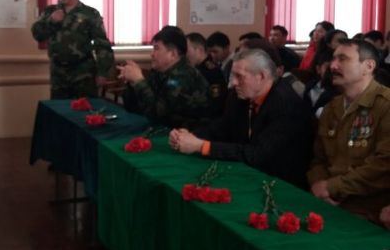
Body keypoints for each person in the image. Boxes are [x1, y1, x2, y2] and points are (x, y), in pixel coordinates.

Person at [169, 47, 314, 187]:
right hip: (249, 172)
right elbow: (223, 127)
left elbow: (257, 154)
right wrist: (189, 136)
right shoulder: (241, 95)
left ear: (261, 76)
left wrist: (201, 146)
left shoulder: (285, 104)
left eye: (239, 76)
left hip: (280, 182)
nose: (233, 83)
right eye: (233, 76)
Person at [307, 39, 390, 226]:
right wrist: (319, 185)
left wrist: (332, 187)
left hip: (368, 210)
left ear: (368, 66)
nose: (333, 66)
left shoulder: (385, 106)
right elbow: (318, 159)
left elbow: (383, 165)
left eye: (343, 59)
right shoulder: (332, 108)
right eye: (333, 58)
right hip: (327, 202)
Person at [31, 0, 114, 99]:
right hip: (58, 74)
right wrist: (52, 21)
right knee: (59, 109)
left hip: (83, 72)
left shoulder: (90, 13)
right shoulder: (50, 11)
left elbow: (102, 44)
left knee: (85, 108)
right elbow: (37, 35)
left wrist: (102, 72)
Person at [118, 25, 208, 129]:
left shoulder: (183, 76)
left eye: (156, 49)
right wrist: (132, 83)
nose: (152, 54)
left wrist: (139, 81)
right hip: (165, 130)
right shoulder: (159, 72)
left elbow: (159, 115)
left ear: (173, 54)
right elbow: (133, 108)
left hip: (189, 134)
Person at [186, 32, 227, 116]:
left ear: (200, 50)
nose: (185, 55)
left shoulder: (211, 72)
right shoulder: (196, 69)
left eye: (187, 51)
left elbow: (216, 104)